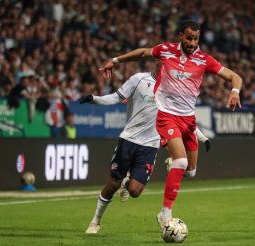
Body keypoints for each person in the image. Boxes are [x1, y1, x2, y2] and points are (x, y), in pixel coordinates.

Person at [99, 20, 242, 229]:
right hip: (167, 116)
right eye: (189, 38)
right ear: (180, 36)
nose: (192, 43)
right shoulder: (165, 50)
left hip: (188, 120)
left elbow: (234, 76)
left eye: (196, 38)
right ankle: (165, 215)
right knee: (182, 162)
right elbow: (142, 53)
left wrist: (234, 91)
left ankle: (172, 164)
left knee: (191, 171)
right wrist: (115, 60)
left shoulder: (204, 60)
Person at [82, 65, 211, 234]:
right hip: (129, 139)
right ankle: (95, 221)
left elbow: (183, 119)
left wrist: (202, 138)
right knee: (113, 183)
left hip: (150, 146)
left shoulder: (173, 89)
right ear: (158, 62)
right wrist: (95, 98)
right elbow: (116, 97)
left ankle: (127, 182)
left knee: (135, 191)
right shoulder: (138, 79)